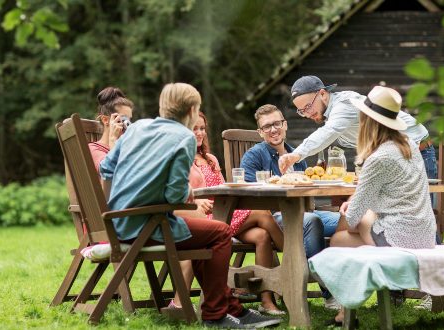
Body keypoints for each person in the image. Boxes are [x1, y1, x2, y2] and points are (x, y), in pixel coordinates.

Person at [98, 83, 281, 328]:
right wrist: (188, 192)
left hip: (120, 222)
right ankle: (216, 315)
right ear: (192, 110)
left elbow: (107, 168)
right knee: (221, 232)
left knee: (206, 234)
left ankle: (234, 310)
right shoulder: (183, 137)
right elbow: (175, 196)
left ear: (163, 106)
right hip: (147, 225)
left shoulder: (138, 127)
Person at [328, 86, 437, 324]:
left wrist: (350, 208)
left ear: (368, 121)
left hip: (401, 238)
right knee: (356, 221)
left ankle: (343, 308)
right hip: (426, 235)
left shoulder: (378, 158)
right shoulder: (408, 145)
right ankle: (344, 310)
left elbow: (355, 218)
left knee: (338, 239)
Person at [171, 111, 285, 315]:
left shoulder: (211, 158)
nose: (199, 133)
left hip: (224, 212)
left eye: (202, 129)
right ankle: (294, 259)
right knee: (263, 214)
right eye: (194, 128)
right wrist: (196, 199)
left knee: (262, 235)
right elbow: (176, 191)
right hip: (204, 218)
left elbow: (222, 189)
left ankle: (266, 300)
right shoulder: (180, 158)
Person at [240, 104, 342, 310]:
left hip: (305, 212)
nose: (273, 129)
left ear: (285, 125)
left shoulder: (296, 154)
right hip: (275, 217)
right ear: (260, 132)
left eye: (277, 123)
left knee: (346, 219)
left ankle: (347, 280)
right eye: (267, 126)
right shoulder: (254, 155)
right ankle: (328, 292)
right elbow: (250, 196)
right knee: (312, 222)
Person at [277, 76, 437, 185]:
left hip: (416, 150)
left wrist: (296, 154)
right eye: (302, 111)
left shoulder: (344, 104)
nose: (307, 114)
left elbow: (329, 132)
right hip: (393, 158)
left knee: (420, 216)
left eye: (308, 106)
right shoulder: (330, 113)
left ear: (323, 94)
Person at [88, 86, 134, 171]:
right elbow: (108, 172)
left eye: (129, 120)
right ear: (105, 120)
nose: (127, 124)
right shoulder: (94, 148)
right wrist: (113, 139)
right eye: (124, 119)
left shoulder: (126, 148)